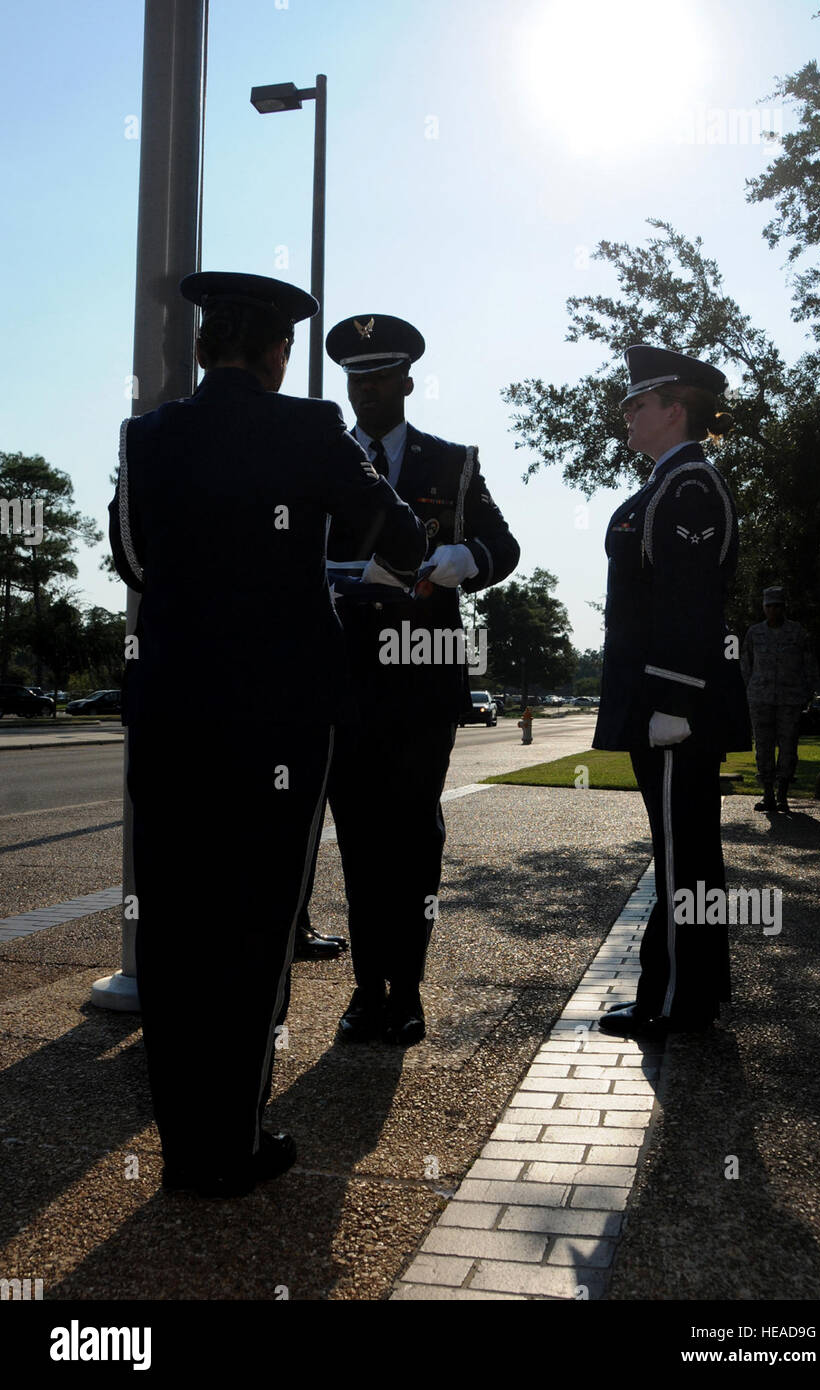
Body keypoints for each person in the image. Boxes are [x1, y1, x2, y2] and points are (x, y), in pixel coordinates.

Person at [109, 273, 426, 1197]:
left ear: (208, 346)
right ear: (279, 351)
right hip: (281, 716)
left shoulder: (149, 435)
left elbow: (130, 554)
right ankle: (233, 1142)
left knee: (172, 924)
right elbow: (396, 534)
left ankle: (183, 1148)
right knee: (254, 922)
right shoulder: (310, 429)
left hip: (171, 705)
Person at [312, 313, 520, 1046]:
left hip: (423, 675)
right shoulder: (321, 456)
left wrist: (468, 558)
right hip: (342, 676)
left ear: (406, 380)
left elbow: (504, 544)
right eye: (355, 378)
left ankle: (408, 990)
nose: (366, 389)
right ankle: (368, 989)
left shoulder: (450, 462)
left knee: (413, 833)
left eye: (380, 376)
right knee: (360, 839)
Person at [593, 344, 751, 1039]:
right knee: (684, 851)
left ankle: (676, 999)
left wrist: (672, 702)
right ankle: (692, 990)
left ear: (674, 409)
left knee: (684, 854)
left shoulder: (689, 488)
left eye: (638, 404)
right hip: (662, 706)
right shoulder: (669, 484)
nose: (626, 415)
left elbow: (690, 605)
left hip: (672, 711)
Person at [741, 587, 817, 814]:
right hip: (761, 699)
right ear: (764, 607)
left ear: (784, 607)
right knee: (763, 747)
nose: (773, 610)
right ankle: (767, 795)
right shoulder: (754, 633)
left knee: (788, 747)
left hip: (790, 700)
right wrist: (750, 691)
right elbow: (746, 664)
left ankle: (782, 794)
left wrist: (807, 693)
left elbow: (810, 665)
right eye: (769, 606)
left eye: (778, 606)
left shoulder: (797, 632)